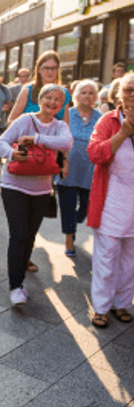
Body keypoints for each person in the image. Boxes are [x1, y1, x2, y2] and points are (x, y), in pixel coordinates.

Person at [0, 84, 73, 304]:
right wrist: (12, 153)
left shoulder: (59, 126)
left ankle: (19, 274)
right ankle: (16, 286)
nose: (53, 102)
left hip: (41, 189)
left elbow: (67, 143)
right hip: (14, 186)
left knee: (30, 235)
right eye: (48, 97)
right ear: (40, 99)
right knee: (19, 234)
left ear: (61, 105)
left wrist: (36, 140)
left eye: (58, 100)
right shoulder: (25, 120)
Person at [8, 50, 71, 273]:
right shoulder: (29, 90)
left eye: (54, 68)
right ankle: (20, 254)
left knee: (35, 212)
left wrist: (65, 161)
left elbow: (65, 128)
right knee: (22, 213)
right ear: (38, 69)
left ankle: (26, 255)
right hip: (26, 155)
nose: (50, 72)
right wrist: (27, 128)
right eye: (46, 68)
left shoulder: (64, 93)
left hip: (47, 158)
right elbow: (11, 119)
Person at [87, 73, 134, 329]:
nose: (132, 95)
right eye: (128, 90)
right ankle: (101, 307)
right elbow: (94, 153)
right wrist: (124, 132)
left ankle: (121, 303)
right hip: (112, 202)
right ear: (119, 94)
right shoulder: (109, 120)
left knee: (130, 261)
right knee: (107, 257)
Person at [57, 80, 101, 257]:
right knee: (67, 206)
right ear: (76, 95)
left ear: (95, 97)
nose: (87, 96)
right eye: (84, 92)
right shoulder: (67, 114)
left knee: (86, 207)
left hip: (90, 171)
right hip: (68, 168)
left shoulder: (101, 116)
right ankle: (69, 239)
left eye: (91, 93)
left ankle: (73, 223)